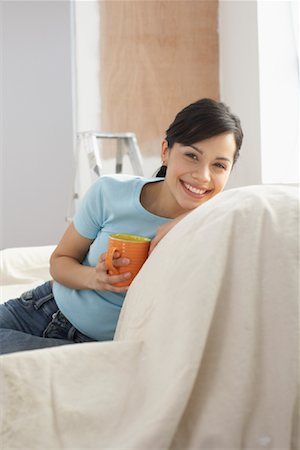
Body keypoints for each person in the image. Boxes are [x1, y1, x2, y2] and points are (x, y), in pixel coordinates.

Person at [0, 98, 243, 355]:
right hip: (44, 309)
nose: (203, 176)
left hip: (102, 347)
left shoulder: (215, 229)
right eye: (191, 155)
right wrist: (96, 277)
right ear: (166, 152)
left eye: (219, 165)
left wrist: (188, 221)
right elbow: (60, 261)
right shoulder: (110, 192)